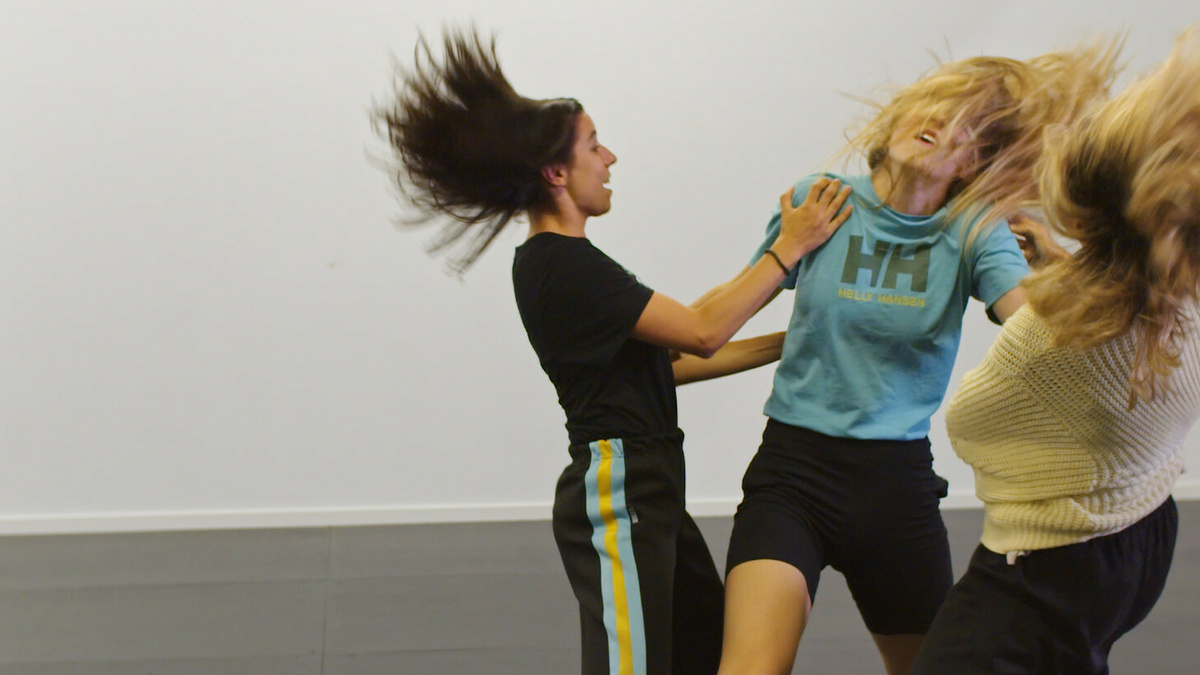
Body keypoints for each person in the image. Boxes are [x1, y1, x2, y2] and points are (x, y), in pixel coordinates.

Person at [373, 29, 853, 675]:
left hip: (650, 487)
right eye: (595, 144)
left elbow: (677, 360)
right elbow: (703, 328)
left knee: (707, 650)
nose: (612, 157)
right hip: (618, 485)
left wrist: (799, 337)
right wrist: (789, 246)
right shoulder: (562, 265)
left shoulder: (571, 264)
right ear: (557, 173)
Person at [717, 43, 1120, 675]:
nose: (941, 124)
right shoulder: (820, 200)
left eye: (967, 129)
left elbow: (1034, 329)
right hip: (791, 475)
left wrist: (1064, 262)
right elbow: (724, 311)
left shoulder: (973, 231)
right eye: (936, 104)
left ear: (973, 163)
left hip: (895, 489)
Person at [911, 28, 1200, 675]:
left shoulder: (1044, 340)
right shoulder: (1176, 296)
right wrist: (1057, 270)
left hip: (1050, 559)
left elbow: (970, 424)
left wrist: (1046, 299)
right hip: (1143, 535)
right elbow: (1111, 303)